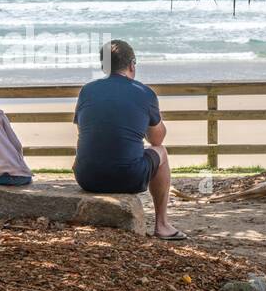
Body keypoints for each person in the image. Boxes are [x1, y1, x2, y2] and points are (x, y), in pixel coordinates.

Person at [73, 40, 184, 239]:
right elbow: (157, 140)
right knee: (162, 152)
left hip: (87, 177)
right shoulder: (144, 93)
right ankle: (162, 225)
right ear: (132, 64)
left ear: (104, 66)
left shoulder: (86, 91)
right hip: (127, 178)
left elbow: (85, 130)